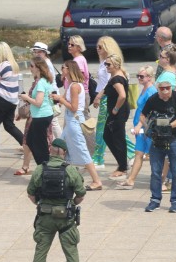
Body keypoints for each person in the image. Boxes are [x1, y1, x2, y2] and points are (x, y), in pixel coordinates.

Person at [26, 138, 85, 262]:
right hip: (66, 219)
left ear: (50, 151)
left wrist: (41, 203)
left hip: (44, 218)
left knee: (40, 253)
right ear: (64, 153)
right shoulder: (70, 171)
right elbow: (80, 194)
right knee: (71, 254)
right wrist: (71, 204)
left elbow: (31, 193)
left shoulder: (40, 169)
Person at [135, 79, 176, 213]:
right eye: (162, 88)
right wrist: (149, 127)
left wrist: (168, 126)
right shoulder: (153, 99)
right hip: (157, 141)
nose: (165, 91)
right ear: (158, 89)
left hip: (174, 139)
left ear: (171, 88)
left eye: (167, 88)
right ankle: (155, 199)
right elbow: (142, 115)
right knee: (155, 172)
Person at [51, 61, 103, 191]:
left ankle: (96, 181)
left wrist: (60, 99)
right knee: (59, 146)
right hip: (71, 120)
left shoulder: (74, 86)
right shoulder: (71, 85)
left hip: (74, 121)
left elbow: (74, 107)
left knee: (81, 149)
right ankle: (62, 176)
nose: (61, 70)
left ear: (69, 69)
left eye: (63, 68)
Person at [92, 37, 135, 169]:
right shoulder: (105, 64)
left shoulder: (114, 70)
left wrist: (114, 107)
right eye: (97, 46)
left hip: (110, 101)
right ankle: (132, 153)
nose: (97, 49)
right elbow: (107, 84)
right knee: (113, 131)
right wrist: (98, 96)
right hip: (105, 98)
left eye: (100, 47)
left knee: (106, 130)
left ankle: (98, 158)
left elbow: (119, 92)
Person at [120, 66, 157, 190]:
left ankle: (164, 179)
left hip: (146, 128)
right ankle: (131, 179)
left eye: (142, 76)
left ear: (150, 77)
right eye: (138, 76)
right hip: (140, 128)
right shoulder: (144, 89)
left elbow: (150, 112)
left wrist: (139, 125)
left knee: (154, 154)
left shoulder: (151, 91)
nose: (139, 78)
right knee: (139, 153)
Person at [19, 56, 55, 166]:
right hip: (40, 116)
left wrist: (26, 97)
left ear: (38, 68)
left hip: (41, 116)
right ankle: (42, 164)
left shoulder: (41, 82)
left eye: (31, 66)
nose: (30, 68)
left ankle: (44, 166)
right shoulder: (43, 81)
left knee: (40, 144)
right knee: (30, 141)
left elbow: (38, 102)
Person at [101, 54, 130, 179]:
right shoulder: (116, 76)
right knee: (108, 136)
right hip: (118, 112)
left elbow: (122, 95)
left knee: (117, 139)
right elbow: (107, 89)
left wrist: (115, 109)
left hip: (118, 112)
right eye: (105, 64)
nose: (106, 66)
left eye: (108, 64)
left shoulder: (117, 78)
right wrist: (98, 97)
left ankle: (123, 167)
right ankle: (122, 164)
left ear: (116, 65)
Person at [30, 42, 62, 139]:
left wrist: (55, 98)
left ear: (44, 53)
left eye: (39, 52)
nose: (36, 54)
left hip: (51, 94)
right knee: (52, 123)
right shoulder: (44, 62)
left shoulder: (46, 63)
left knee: (54, 122)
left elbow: (50, 81)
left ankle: (63, 144)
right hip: (49, 93)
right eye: (35, 52)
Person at [65, 36, 91, 117]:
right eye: (68, 44)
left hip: (78, 94)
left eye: (72, 45)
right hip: (79, 93)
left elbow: (78, 78)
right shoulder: (78, 59)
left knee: (82, 122)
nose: (69, 46)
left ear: (79, 47)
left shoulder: (78, 60)